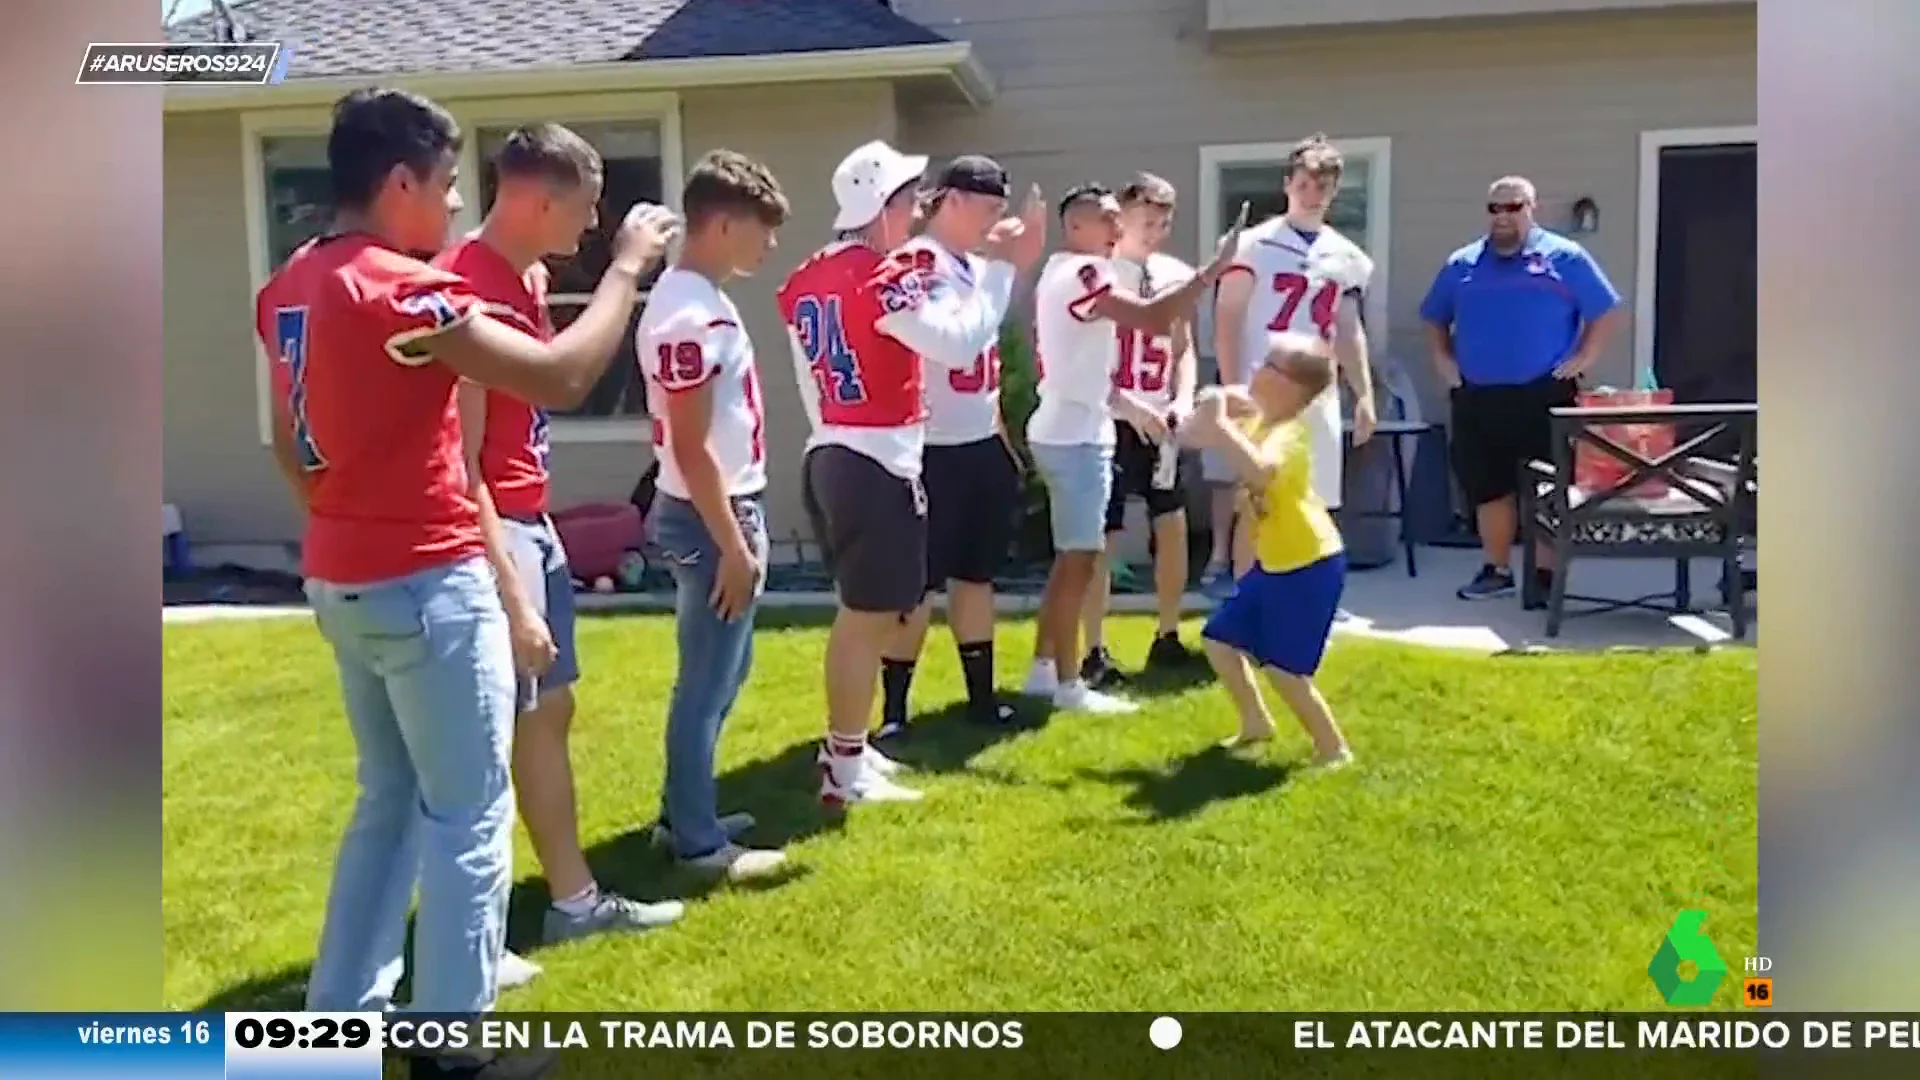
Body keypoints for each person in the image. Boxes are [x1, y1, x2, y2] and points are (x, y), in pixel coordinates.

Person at [281, 87, 674, 1080]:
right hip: (425, 576)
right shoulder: (398, 288)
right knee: (468, 811)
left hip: (343, 572)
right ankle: (453, 1041)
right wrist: (626, 270)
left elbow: (291, 442)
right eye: (448, 185)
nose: (455, 208)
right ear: (399, 182)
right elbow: (557, 377)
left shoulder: (292, 281)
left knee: (389, 803)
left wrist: (342, 513)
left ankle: (340, 1026)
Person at [439, 124, 684, 943]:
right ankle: (477, 939)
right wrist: (513, 593)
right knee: (474, 749)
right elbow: (458, 460)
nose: (592, 225)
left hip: (527, 523)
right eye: (582, 208)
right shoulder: (465, 289)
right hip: (493, 532)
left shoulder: (528, 278)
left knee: (547, 714)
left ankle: (565, 905)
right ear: (537, 200)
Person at [779, 141, 1044, 806]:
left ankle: (852, 748)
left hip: (836, 448)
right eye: (906, 199)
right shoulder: (880, 272)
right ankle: (843, 765)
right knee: (865, 619)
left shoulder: (808, 274)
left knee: (866, 614)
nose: (914, 209)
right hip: (874, 459)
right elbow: (955, 344)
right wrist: (1005, 273)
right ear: (881, 206)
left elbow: (811, 384)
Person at [1021, 183, 1236, 714]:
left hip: (1076, 424)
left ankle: (1043, 668)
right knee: (1080, 559)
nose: (1119, 228)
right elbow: (1154, 318)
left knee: (1071, 561)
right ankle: (1070, 684)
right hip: (1075, 432)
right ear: (1076, 227)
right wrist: (1210, 273)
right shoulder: (1084, 272)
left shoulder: (1061, 270)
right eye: (1108, 219)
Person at [639, 149, 791, 883]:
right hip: (710, 515)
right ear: (722, 223)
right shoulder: (686, 314)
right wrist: (734, 546)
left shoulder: (705, 297)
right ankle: (696, 842)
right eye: (761, 230)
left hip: (721, 507)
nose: (770, 245)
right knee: (704, 683)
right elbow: (693, 447)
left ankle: (685, 811)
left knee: (724, 674)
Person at [875, 156, 1025, 741]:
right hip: (930, 446)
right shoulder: (920, 261)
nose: (994, 222)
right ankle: (894, 711)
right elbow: (948, 345)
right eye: (988, 208)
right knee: (920, 585)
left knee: (976, 576)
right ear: (954, 200)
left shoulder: (975, 265)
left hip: (979, 440)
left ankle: (980, 698)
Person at [1419, 175, 1624, 601]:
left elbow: (1603, 311)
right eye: (1496, 209)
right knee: (1487, 486)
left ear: (1534, 209)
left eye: (1513, 207)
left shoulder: (1564, 257)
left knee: (1549, 487)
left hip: (1544, 393)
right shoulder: (1463, 264)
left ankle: (1545, 579)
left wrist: (1584, 358)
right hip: (1478, 394)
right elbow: (1435, 317)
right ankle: (1495, 570)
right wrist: (1444, 363)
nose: (1504, 217)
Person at [1212, 134, 1378, 587]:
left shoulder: (1345, 255)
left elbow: (1348, 328)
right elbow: (1226, 317)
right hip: (1262, 384)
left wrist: (1363, 394)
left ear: (1334, 191)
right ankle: (1248, 592)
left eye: (1321, 187)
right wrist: (1231, 386)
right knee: (1257, 496)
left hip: (1317, 393)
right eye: (1304, 184)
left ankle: (1300, 592)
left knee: (1315, 496)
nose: (1311, 195)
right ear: (1288, 184)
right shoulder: (1252, 245)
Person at [1183, 333, 1354, 766]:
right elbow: (1194, 435)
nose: (1256, 368)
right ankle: (1256, 721)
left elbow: (1259, 474)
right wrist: (1212, 405)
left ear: (1290, 386)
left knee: (1284, 668)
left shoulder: (1290, 433)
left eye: (1267, 365)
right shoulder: (1260, 420)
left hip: (1309, 565)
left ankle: (1334, 749)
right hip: (1276, 564)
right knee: (1219, 640)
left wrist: (1220, 423)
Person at [1078, 173, 1204, 690]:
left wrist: (1182, 397)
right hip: (1110, 414)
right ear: (1122, 217)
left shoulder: (1173, 273)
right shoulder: (1098, 272)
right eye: (1146, 220)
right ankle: (1092, 647)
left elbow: (1184, 346)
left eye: (1164, 221)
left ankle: (1168, 634)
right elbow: (1079, 357)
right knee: (1101, 533)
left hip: (1160, 414)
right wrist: (1125, 406)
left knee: (1170, 522)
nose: (1155, 231)